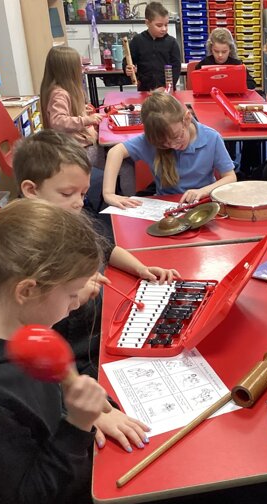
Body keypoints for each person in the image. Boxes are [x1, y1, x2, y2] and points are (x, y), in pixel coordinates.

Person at [0, 200, 151, 504]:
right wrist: (77, 426)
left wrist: (85, 410)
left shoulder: (23, 334)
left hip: (76, 479)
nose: (77, 303)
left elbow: (43, 409)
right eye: (71, 294)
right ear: (27, 290)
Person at [14, 129, 180, 379]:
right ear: (31, 190)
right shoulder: (24, 245)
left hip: (101, 330)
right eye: (67, 194)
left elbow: (107, 248)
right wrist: (76, 297)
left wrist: (141, 269)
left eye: (83, 193)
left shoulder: (71, 217)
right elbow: (29, 321)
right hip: (74, 355)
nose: (79, 202)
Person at [102, 92, 236, 209]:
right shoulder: (152, 139)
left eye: (177, 136)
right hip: (166, 206)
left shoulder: (211, 137)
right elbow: (115, 152)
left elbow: (230, 177)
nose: (173, 146)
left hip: (203, 202)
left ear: (187, 119)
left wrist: (203, 191)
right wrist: (108, 194)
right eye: (164, 144)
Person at [40, 46, 104, 168]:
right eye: (79, 66)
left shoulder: (62, 91)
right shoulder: (59, 94)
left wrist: (81, 110)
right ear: (69, 70)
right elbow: (58, 121)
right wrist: (86, 120)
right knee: (120, 162)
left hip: (77, 145)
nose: (82, 69)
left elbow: (64, 113)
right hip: (76, 150)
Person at [125, 2, 181, 91]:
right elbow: (128, 61)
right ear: (147, 23)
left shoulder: (172, 42)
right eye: (159, 25)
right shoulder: (138, 40)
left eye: (166, 24)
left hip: (166, 91)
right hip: (145, 90)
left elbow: (176, 67)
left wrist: (168, 87)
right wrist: (127, 68)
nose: (164, 29)